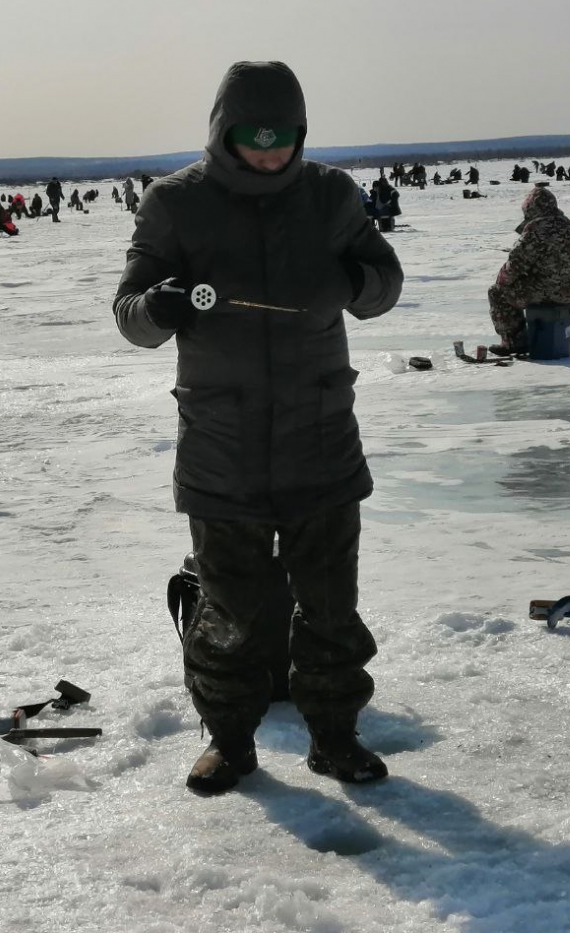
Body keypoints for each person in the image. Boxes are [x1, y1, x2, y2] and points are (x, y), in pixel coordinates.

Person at [112, 60, 403, 795]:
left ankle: (336, 737)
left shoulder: (331, 195)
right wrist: (161, 307)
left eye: (285, 141)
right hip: (222, 452)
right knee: (228, 614)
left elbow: (384, 281)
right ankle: (229, 741)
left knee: (332, 609)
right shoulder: (173, 204)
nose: (272, 154)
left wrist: (345, 283)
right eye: (255, 140)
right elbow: (130, 313)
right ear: (222, 132)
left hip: (322, 442)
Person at [487, 186, 570, 356]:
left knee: (497, 292)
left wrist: (502, 281)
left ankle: (514, 342)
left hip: (544, 291)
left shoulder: (537, 228)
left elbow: (516, 264)